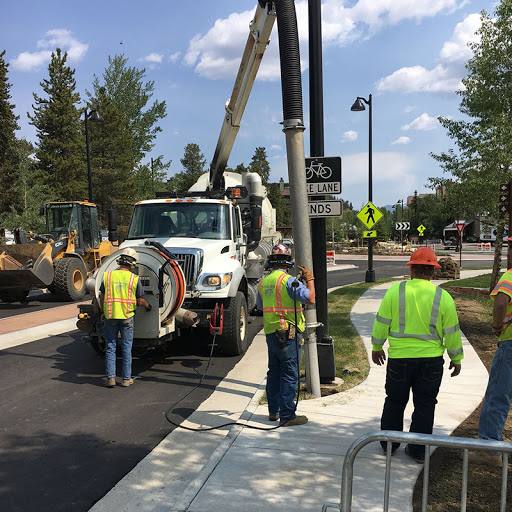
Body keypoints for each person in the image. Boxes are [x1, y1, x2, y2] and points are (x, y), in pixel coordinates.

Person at [371, 247, 463, 463]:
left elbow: (381, 322)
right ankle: (418, 450)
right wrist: (456, 358)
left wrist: (377, 347)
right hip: (430, 362)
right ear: (432, 272)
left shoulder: (395, 292)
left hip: (399, 360)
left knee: (395, 401)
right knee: (425, 403)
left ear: (411, 269)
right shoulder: (443, 298)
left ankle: (390, 444)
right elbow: (451, 332)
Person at [257, 244, 316, 427]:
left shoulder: (262, 282)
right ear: (288, 262)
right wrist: (310, 279)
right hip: (288, 334)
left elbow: (260, 307)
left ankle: (273, 411)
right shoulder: (289, 282)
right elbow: (311, 299)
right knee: (289, 374)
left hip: (270, 333)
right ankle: (288, 415)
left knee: (274, 372)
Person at [471, 260, 512, 466]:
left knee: (498, 394)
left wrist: (498, 324)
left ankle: (489, 448)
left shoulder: (510, 276)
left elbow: (501, 301)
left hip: (510, 345)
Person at [100, 247, 151, 388]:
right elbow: (140, 301)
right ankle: (126, 379)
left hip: (110, 316)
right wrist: (148, 307)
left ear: (119, 261)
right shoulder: (134, 279)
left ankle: (110, 378)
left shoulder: (108, 276)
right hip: (127, 317)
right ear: (133, 263)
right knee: (126, 348)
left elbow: (102, 297)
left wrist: (103, 311)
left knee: (110, 347)